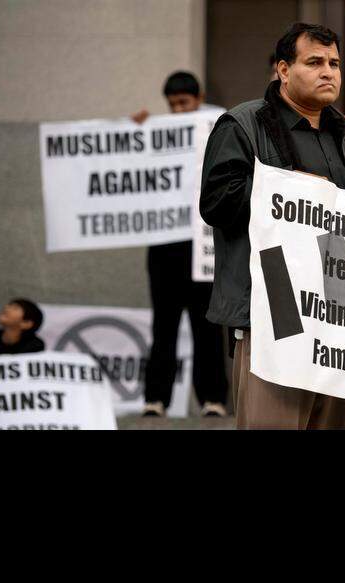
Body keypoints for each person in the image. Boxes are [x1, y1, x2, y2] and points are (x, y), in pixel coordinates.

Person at [200, 22, 345, 429]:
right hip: (275, 313)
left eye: (334, 63)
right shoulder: (242, 124)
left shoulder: (344, 134)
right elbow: (216, 203)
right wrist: (293, 189)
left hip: (339, 316)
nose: (328, 72)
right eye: (314, 62)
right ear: (283, 70)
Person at [131, 71, 229, 418]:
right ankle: (156, 398)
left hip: (202, 246)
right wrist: (136, 133)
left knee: (207, 327)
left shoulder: (219, 124)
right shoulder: (159, 130)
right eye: (173, 105)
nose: (178, 111)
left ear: (199, 98)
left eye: (184, 103)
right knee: (164, 326)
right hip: (165, 247)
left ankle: (213, 398)